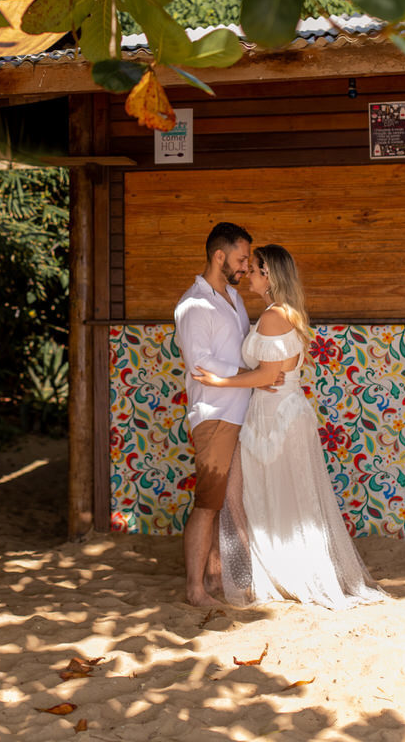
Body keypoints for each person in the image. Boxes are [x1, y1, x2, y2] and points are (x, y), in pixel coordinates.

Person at [193, 244, 383, 610]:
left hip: (275, 419)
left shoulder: (274, 316)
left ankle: (279, 572)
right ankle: (268, 569)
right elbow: (268, 373)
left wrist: (219, 382)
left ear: (268, 275)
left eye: (254, 269)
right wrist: (254, 377)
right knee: (261, 495)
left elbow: (268, 375)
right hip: (274, 414)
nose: (248, 273)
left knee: (268, 497)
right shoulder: (280, 313)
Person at [174, 222, 254, 606]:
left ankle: (216, 578)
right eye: (241, 259)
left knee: (227, 500)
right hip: (215, 413)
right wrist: (251, 374)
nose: (245, 266)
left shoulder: (234, 298)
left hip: (241, 410)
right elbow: (199, 362)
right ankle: (195, 589)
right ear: (219, 256)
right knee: (208, 502)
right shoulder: (193, 305)